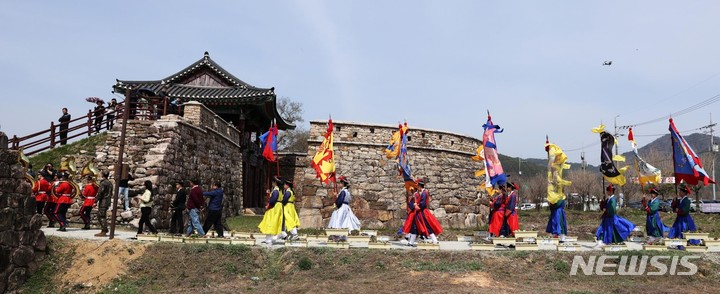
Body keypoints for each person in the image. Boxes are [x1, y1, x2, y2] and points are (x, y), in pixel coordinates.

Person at [595, 184, 636, 248]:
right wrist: (603, 203)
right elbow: (605, 206)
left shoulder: (613, 200)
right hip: (607, 217)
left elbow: (613, 209)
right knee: (606, 229)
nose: (607, 192)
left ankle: (603, 241)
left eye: (608, 191)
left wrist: (607, 210)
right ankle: (602, 240)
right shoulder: (609, 199)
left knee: (608, 229)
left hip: (610, 217)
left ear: (610, 191)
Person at [411, 178, 443, 244]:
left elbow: (422, 204)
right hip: (420, 212)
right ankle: (411, 242)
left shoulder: (424, 193)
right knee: (416, 227)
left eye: (417, 186)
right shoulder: (420, 193)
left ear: (420, 186)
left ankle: (435, 240)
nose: (417, 188)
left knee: (427, 225)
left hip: (423, 212)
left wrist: (417, 205)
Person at [259, 177, 285, 244]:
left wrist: (269, 205)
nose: (272, 184)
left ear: (275, 183)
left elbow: (273, 200)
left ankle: (274, 236)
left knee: (271, 222)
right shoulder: (280, 190)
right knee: (270, 222)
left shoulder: (276, 190)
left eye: (272, 182)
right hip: (277, 206)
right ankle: (268, 238)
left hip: (274, 207)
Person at [94, 171, 113, 237]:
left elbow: (100, 193)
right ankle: (104, 229)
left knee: (101, 216)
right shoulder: (110, 183)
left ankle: (104, 230)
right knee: (102, 215)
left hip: (103, 201)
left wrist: (95, 201)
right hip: (108, 201)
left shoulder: (103, 183)